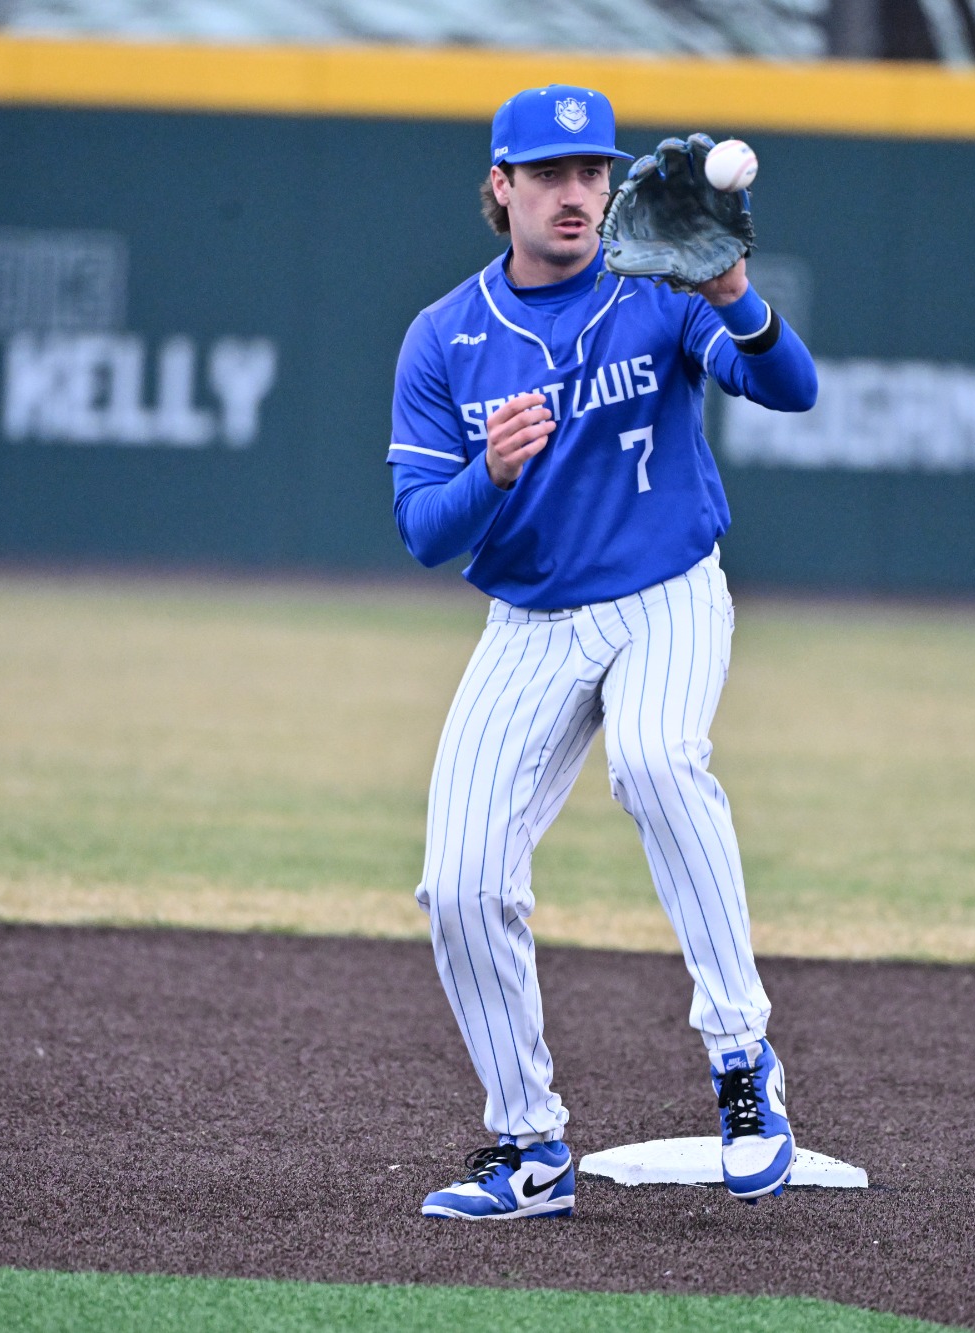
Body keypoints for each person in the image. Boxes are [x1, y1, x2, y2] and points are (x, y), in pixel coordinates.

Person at [384, 84, 818, 1220]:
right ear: (501, 188)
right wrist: (491, 474)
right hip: (528, 624)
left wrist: (728, 290)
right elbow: (424, 528)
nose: (575, 191)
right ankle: (527, 1146)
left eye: (591, 171)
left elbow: (792, 389)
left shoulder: (657, 286)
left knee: (656, 760)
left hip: (666, 594)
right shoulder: (445, 337)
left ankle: (741, 1060)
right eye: (548, 173)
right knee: (460, 882)